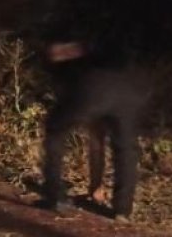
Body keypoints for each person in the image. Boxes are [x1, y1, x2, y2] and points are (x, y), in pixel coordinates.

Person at [40, 38, 151, 221]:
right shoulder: (120, 42)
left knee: (55, 129)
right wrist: (95, 186)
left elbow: (60, 52)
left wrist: (63, 52)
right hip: (131, 92)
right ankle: (122, 210)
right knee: (125, 148)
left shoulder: (76, 65)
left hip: (95, 86)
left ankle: (55, 196)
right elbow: (96, 140)